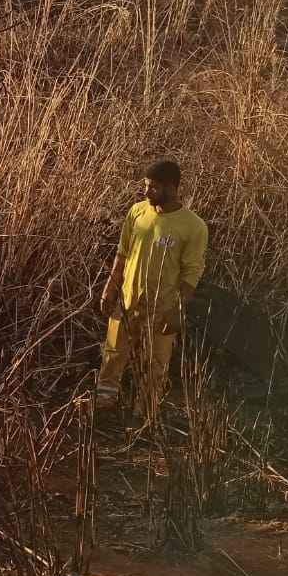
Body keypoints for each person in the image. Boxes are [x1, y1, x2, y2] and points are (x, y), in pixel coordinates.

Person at [95, 159, 208, 417]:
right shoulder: (137, 212)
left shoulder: (193, 227)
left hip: (162, 308)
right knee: (113, 354)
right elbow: (122, 252)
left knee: (155, 363)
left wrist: (178, 311)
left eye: (153, 188)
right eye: (145, 186)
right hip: (127, 301)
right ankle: (103, 405)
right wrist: (110, 286)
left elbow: (193, 272)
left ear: (171, 189)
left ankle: (144, 415)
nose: (146, 192)